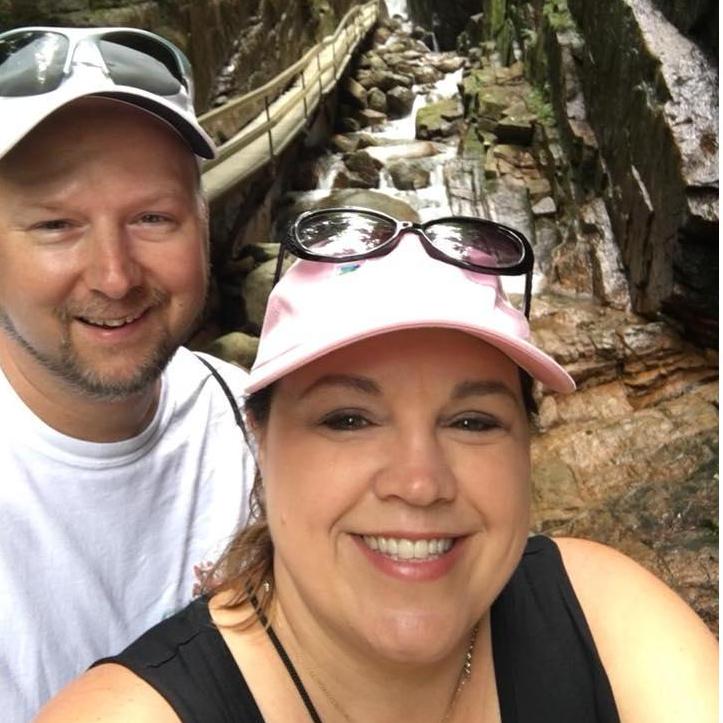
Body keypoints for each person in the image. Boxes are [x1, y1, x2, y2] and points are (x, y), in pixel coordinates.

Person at [38, 207, 718, 722]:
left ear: (525, 446)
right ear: (259, 440)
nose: (419, 483)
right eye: (348, 419)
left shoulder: (604, 616)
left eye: (472, 421)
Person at [0, 27, 254, 720]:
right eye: (56, 225)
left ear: (203, 221)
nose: (114, 277)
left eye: (152, 217)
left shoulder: (256, 425)